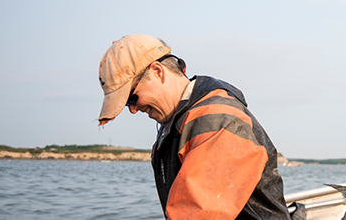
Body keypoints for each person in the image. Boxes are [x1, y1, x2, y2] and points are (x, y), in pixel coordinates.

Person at [95, 34, 303, 219]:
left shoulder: (217, 122)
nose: (132, 110)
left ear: (158, 72)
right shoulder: (179, 120)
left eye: (132, 97)